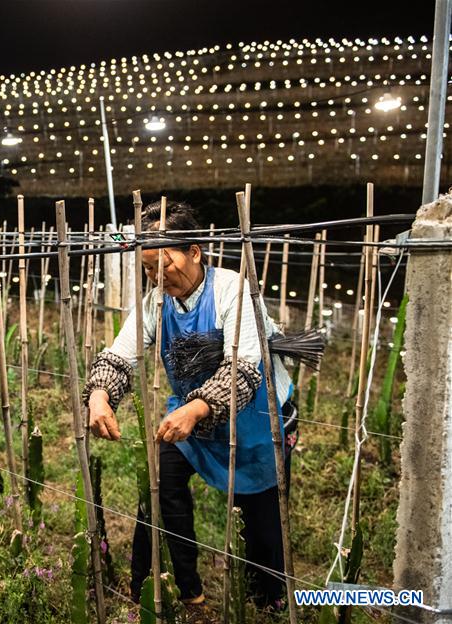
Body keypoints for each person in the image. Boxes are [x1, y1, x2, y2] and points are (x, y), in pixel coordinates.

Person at [81, 202, 295, 610]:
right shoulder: (154, 304)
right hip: (189, 414)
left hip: (253, 421)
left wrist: (197, 408)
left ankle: (267, 602)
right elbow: (120, 357)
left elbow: (246, 368)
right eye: (147, 269)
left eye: (164, 264)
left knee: (261, 520)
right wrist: (99, 395)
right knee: (160, 488)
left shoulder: (232, 289)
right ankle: (175, 587)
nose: (157, 277)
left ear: (195, 251)